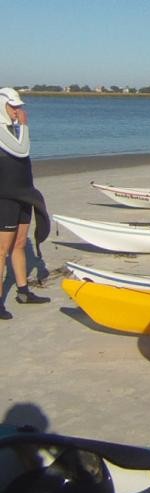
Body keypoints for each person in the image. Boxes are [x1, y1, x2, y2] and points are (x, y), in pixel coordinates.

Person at [0, 87, 51, 320]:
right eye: (13, 107)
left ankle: (23, 291)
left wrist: (21, 126)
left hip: (24, 195)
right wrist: (25, 126)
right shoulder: (10, 133)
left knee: (20, 243)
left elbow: (22, 150)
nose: (17, 111)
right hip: (5, 198)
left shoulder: (15, 131)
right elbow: (21, 150)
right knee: (1, 251)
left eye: (19, 107)